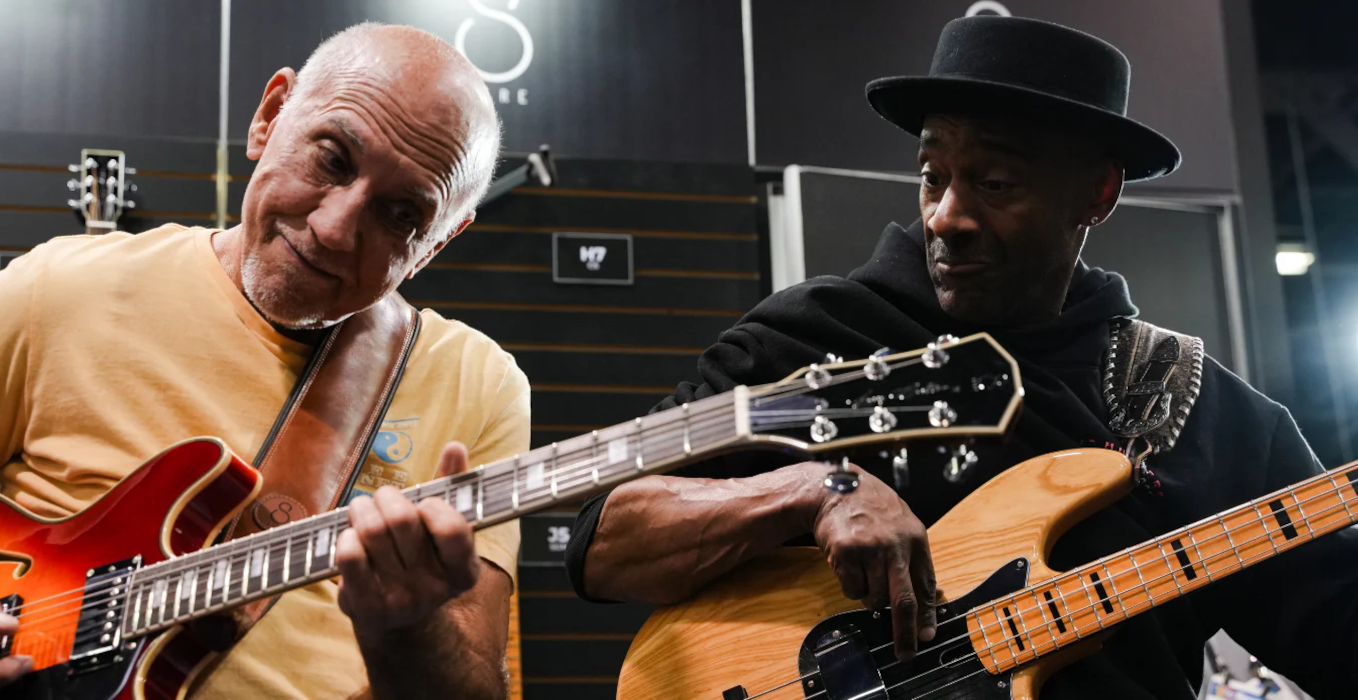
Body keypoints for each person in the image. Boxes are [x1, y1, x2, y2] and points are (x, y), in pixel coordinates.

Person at [566, 16, 1358, 699]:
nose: (949, 216)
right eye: (933, 175)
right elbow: (603, 543)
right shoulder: (816, 336)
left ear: (1098, 195)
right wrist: (812, 488)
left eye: (995, 182)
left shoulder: (1201, 415)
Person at [0, 23, 527, 700]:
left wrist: (405, 627)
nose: (334, 228)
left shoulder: (480, 386)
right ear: (270, 116)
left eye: (401, 213)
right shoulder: (65, 285)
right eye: (333, 159)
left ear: (437, 243)